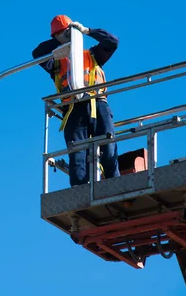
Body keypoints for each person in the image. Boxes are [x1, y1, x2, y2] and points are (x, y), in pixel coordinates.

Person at [33, 14, 121, 186]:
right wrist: (61, 41)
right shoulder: (55, 63)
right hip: (73, 109)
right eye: (59, 34)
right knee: (78, 155)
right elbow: (37, 53)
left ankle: (116, 188)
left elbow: (112, 42)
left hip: (98, 104)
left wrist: (86, 31)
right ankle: (79, 193)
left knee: (108, 148)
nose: (64, 37)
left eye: (66, 32)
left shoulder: (93, 54)